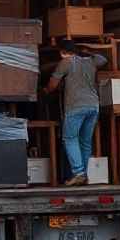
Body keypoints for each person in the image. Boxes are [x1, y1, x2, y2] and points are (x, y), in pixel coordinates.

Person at [43, 40, 108, 186]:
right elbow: (104, 59)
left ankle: (78, 173)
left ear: (63, 52)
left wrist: (45, 91)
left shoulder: (66, 62)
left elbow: (53, 85)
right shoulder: (91, 61)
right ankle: (83, 175)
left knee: (69, 138)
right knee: (85, 142)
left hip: (76, 106)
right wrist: (88, 51)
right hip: (93, 106)